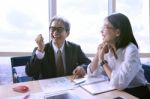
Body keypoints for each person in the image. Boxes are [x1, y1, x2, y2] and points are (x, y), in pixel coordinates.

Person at [87, 13, 150, 99]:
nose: (101, 31)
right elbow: (92, 74)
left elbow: (120, 83)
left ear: (118, 32)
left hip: (136, 93)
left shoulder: (131, 49)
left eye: (105, 27)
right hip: (117, 91)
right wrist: (98, 54)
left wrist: (102, 61)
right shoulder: (109, 48)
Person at [26, 16, 91, 80]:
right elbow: (30, 73)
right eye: (52, 29)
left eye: (59, 29)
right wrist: (40, 51)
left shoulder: (75, 48)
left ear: (67, 33)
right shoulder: (41, 49)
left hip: (69, 86)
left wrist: (82, 67)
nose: (55, 32)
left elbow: (88, 63)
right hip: (48, 88)